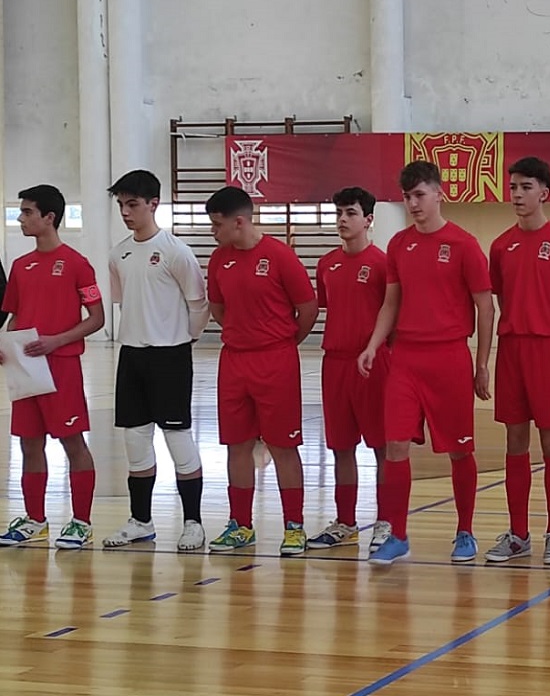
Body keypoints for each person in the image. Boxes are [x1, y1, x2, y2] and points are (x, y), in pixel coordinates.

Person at [359, 161, 494, 565]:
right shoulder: (399, 245)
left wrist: (482, 363)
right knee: (395, 445)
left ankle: (465, 530)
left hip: (449, 357)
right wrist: (373, 345)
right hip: (405, 360)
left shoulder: (465, 244)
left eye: (419, 195)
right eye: (406, 196)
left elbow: (485, 306)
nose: (413, 203)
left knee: (458, 450)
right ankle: (398, 534)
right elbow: (391, 301)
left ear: (440, 194)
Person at [204, 186, 317, 556]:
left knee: (283, 445)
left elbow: (307, 309)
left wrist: (282, 343)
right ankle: (240, 525)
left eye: (217, 225)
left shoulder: (280, 256)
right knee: (236, 445)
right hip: (234, 360)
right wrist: (243, 334)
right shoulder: (219, 260)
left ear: (240, 222)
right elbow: (218, 309)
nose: (213, 232)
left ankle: (294, 527)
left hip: (276, 361)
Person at [102, 170, 210, 552]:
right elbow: (123, 302)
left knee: (178, 439)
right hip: (131, 355)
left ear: (153, 204)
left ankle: (193, 523)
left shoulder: (176, 252)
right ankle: (140, 520)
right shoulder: (119, 253)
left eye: (132, 204)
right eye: (121, 205)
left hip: (171, 356)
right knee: (136, 439)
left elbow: (199, 305)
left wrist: (184, 340)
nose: (126, 212)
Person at [485, 157, 550, 564]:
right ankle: (519, 533)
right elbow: (503, 299)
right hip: (512, 352)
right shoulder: (500, 246)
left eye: (526, 187)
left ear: (544, 192)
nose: (517, 194)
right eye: (513, 187)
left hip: (548, 352)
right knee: (515, 441)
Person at [0, 185, 104, 549]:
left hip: (61, 366)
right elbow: (13, 319)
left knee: (72, 443)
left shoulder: (77, 263)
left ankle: (82, 522)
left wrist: (57, 340)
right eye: (21, 211)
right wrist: (6, 348)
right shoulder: (20, 266)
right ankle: (34, 519)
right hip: (26, 370)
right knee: (29, 444)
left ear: (49, 217)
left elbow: (97, 318)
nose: (21, 218)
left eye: (27, 212)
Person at [308, 187, 392, 553]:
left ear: (368, 219)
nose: (343, 219)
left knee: (382, 447)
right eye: (339, 212)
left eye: (351, 213)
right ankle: (345, 522)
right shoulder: (326, 264)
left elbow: (393, 318)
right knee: (341, 447)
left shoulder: (383, 264)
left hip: (374, 365)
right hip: (335, 364)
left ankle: (386, 521)